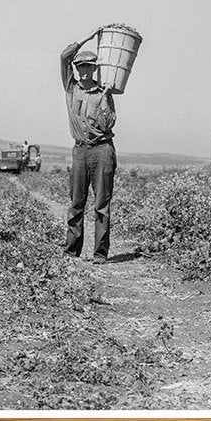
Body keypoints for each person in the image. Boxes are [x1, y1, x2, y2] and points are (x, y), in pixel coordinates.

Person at [60, 40, 117, 263]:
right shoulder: (71, 88)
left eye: (88, 66)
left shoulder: (104, 93)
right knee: (76, 203)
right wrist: (87, 37)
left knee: (102, 204)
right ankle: (71, 251)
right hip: (80, 151)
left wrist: (104, 99)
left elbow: (108, 124)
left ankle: (100, 254)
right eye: (80, 66)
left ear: (95, 69)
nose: (84, 71)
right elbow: (64, 57)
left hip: (102, 150)